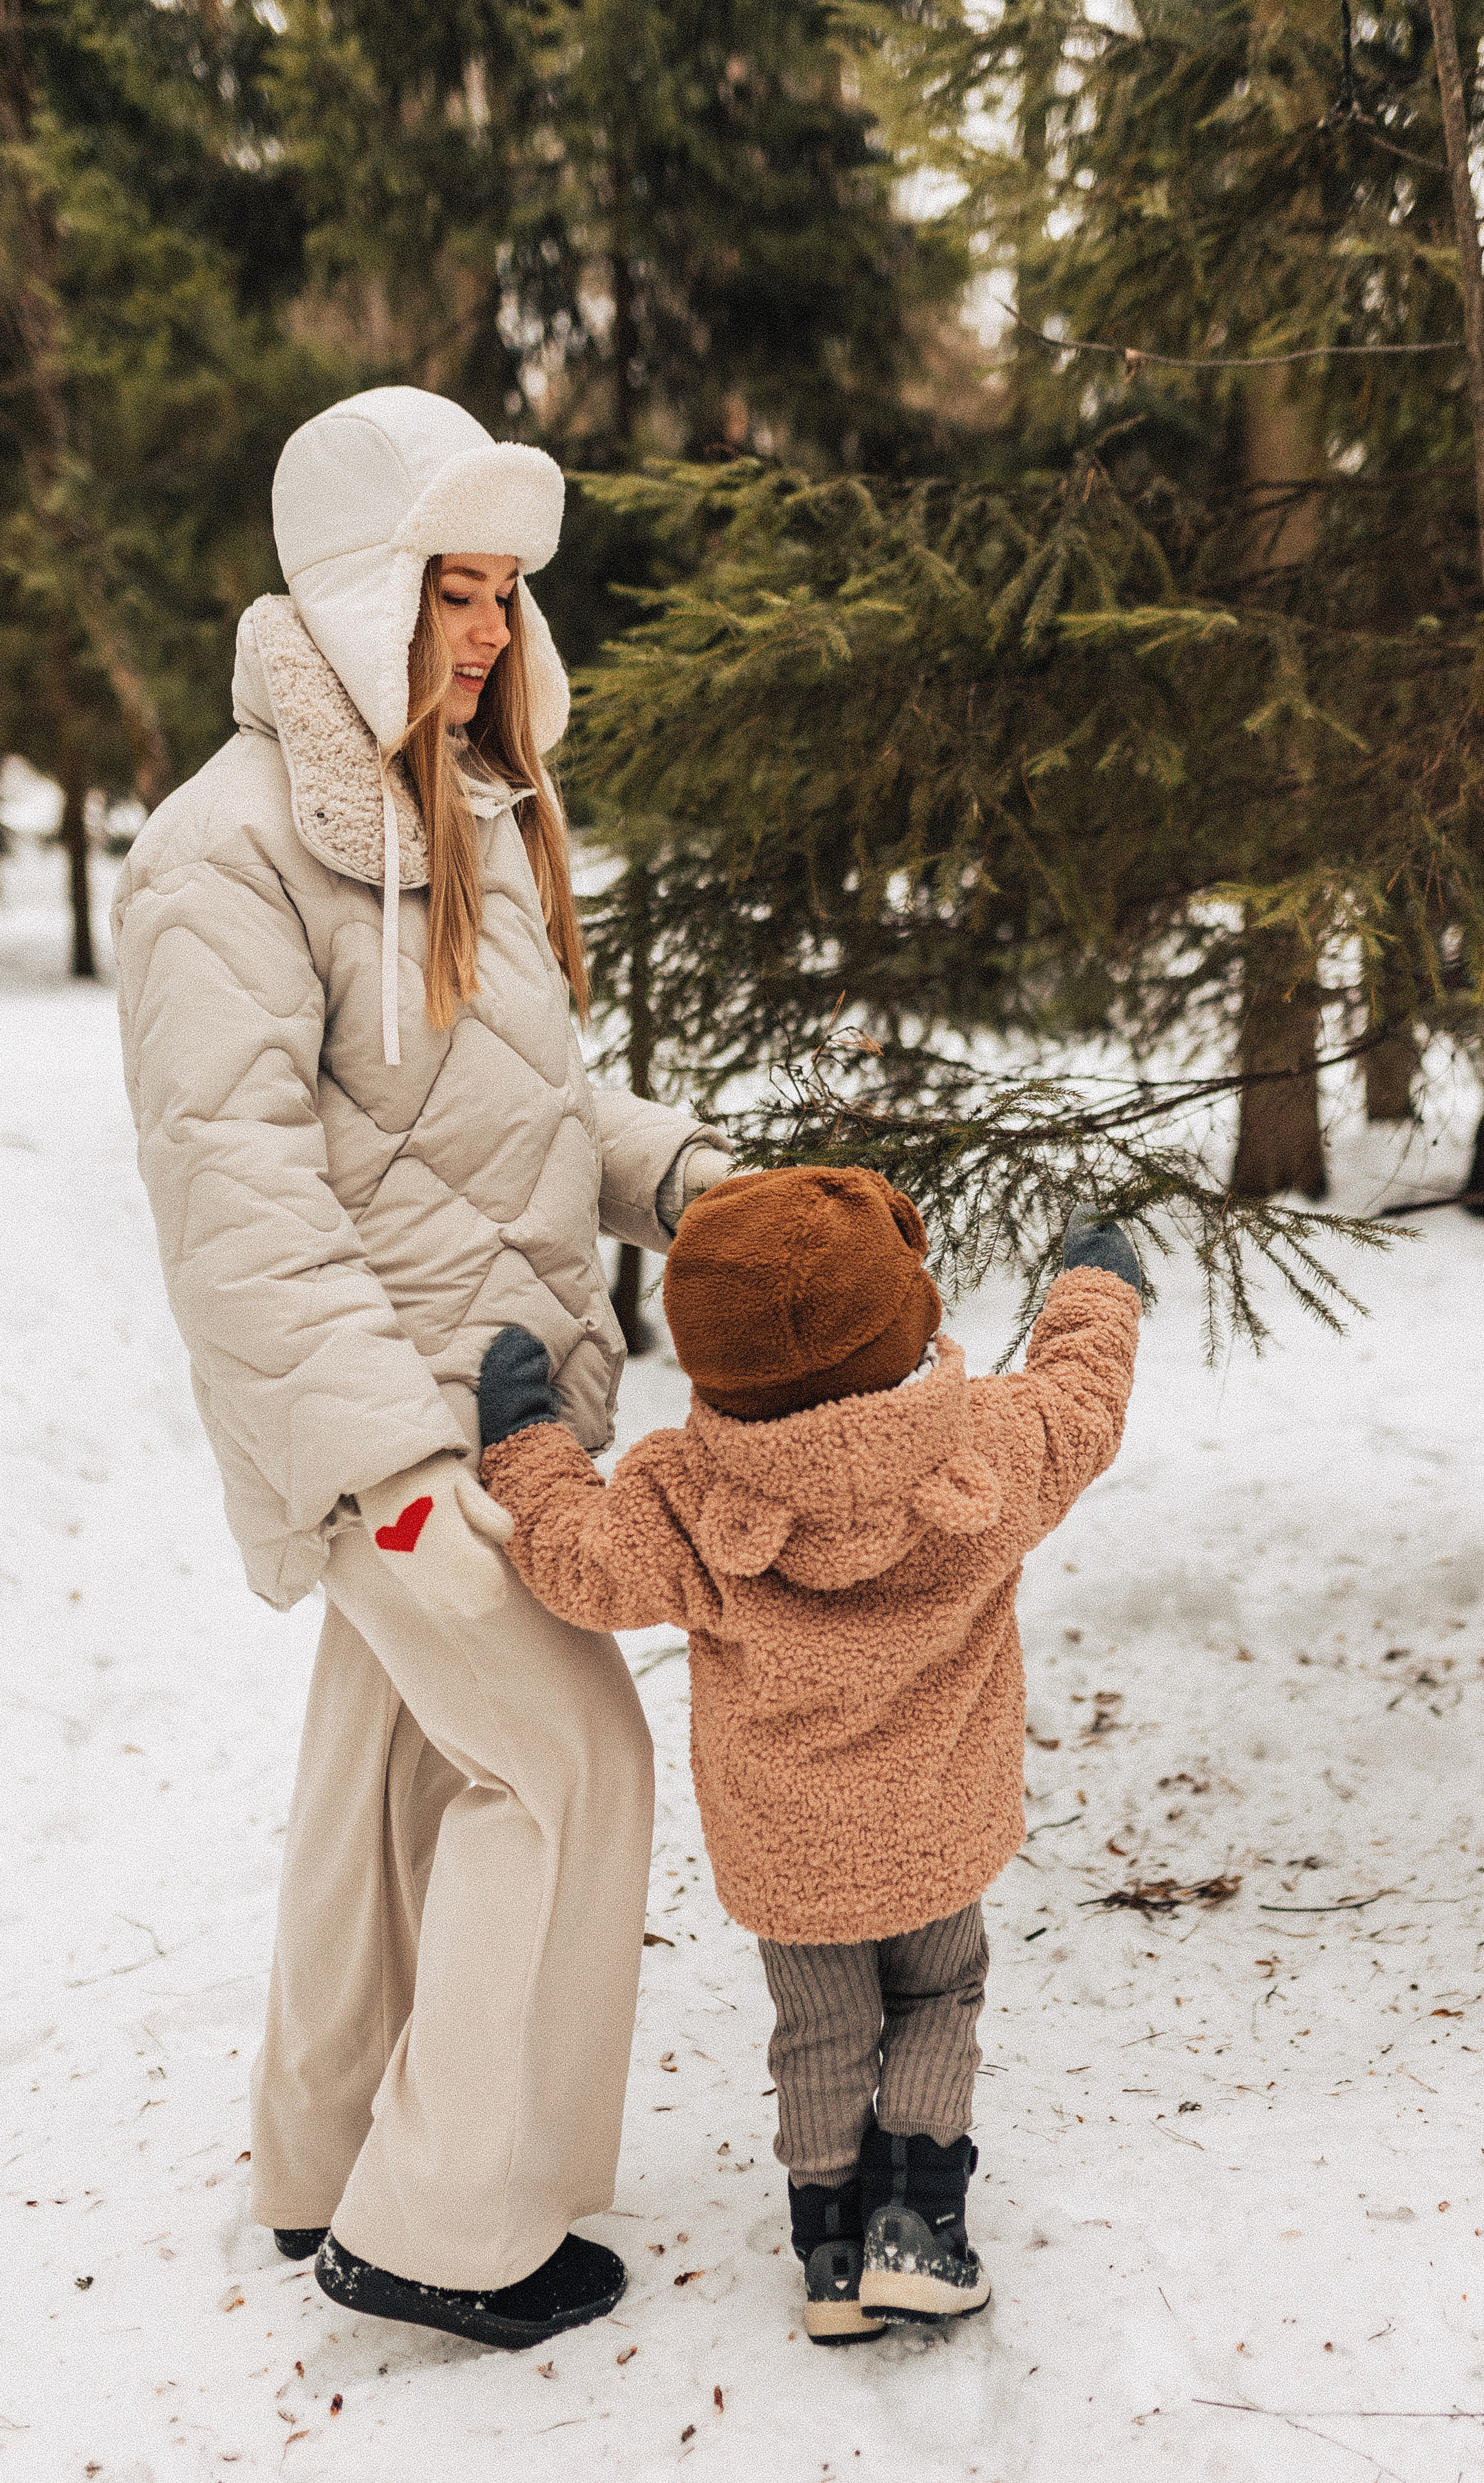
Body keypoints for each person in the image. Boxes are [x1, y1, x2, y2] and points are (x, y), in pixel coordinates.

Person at [111, 386, 731, 2351]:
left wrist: (696, 1185)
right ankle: (451, 2227)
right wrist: (382, 1459)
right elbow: (239, 1200)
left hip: (510, 1402)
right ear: (365, 595)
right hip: (394, 1420)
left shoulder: (461, 812)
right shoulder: (222, 856)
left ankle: (315, 2164)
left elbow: (519, 1115)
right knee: (567, 1759)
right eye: (452, 592)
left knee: (388, 1770)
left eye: (504, 596)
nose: (487, 632)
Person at [473, 1167, 1141, 2341]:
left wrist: (527, 1442)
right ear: (906, 1313)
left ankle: (831, 2249)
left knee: (820, 2023)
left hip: (786, 1846)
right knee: (942, 1992)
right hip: (941, 1816)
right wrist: (1098, 1285)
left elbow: (580, 1561)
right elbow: (1083, 1402)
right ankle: (918, 2232)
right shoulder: (993, 1443)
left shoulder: (683, 1497)